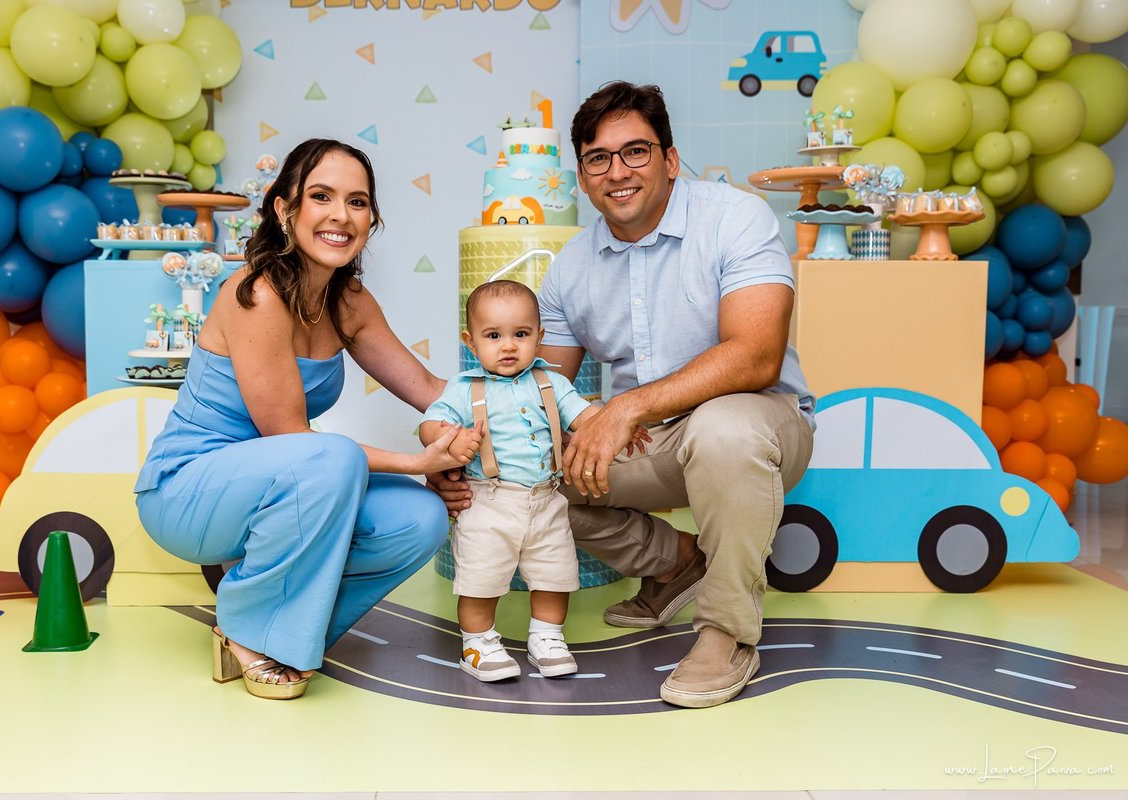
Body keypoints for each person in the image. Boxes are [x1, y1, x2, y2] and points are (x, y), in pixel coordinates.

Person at [135, 139, 481, 700]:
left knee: (420, 517)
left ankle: (283, 628)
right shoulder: (257, 296)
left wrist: (509, 415)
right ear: (284, 208)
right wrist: (421, 460)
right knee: (332, 454)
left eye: (358, 201)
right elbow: (291, 439)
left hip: (287, 486)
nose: (341, 216)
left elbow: (433, 392)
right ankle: (249, 626)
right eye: (321, 196)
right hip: (188, 491)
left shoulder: (349, 302)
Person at [538, 81, 816, 708]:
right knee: (522, 472)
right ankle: (675, 562)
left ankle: (728, 632)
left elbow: (756, 353)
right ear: (581, 176)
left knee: (723, 429)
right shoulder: (572, 265)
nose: (618, 171)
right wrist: (471, 445)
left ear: (669, 159)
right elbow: (541, 390)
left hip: (761, 425)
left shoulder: (735, 216)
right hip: (653, 444)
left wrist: (625, 406)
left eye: (636, 151)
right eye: (598, 158)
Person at [420, 280, 642, 682]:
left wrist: (615, 425)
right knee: (480, 577)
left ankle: (547, 636)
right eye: (494, 336)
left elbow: (583, 416)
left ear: (539, 338)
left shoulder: (551, 383)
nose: (508, 346)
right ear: (471, 342)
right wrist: (448, 437)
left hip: (547, 498)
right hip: (488, 501)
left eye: (520, 335)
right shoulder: (464, 388)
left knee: (554, 572)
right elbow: (428, 425)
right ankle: (477, 642)